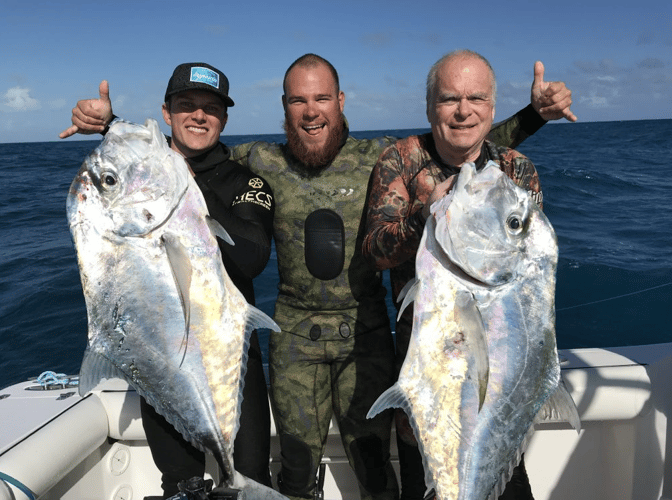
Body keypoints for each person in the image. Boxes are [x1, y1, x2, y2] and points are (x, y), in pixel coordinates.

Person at [61, 53, 575, 500]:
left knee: (378, 471)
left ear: (341, 100)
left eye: (322, 98)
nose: (311, 112)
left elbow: (460, 140)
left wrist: (534, 117)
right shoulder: (261, 160)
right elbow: (181, 150)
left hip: (368, 338)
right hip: (292, 342)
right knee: (298, 471)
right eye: (298, 101)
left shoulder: (380, 156)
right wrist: (114, 128)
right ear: (284, 106)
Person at [61, 62, 275, 498]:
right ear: (167, 112)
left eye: (211, 108)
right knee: (180, 485)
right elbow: (131, 189)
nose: (199, 116)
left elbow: (251, 258)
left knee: (250, 473)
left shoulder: (246, 181)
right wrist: (111, 126)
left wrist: (181, 181)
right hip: (163, 361)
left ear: (225, 119)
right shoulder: (156, 178)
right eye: (186, 105)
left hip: (230, 355)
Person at [362, 49, 558, 499]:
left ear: (492, 107)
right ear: (431, 106)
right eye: (450, 98)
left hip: (497, 385)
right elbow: (374, 250)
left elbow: (527, 281)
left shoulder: (516, 170)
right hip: (429, 381)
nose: (463, 110)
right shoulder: (401, 160)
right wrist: (426, 213)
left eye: (476, 98)